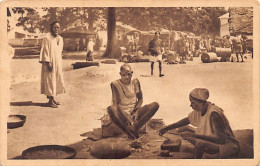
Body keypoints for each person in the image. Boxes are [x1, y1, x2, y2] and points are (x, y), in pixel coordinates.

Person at [158, 88, 240, 159]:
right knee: (183, 128)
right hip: (213, 140)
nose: (190, 105)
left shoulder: (214, 114)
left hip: (226, 146)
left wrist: (194, 135)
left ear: (201, 102)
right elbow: (185, 121)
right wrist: (166, 128)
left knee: (200, 144)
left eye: (193, 102)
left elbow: (221, 140)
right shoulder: (200, 109)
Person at [107, 64, 159, 139]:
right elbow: (117, 105)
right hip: (122, 113)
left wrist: (136, 112)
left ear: (132, 73)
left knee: (155, 105)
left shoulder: (135, 82)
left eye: (129, 74)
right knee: (110, 109)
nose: (127, 77)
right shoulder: (115, 84)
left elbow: (140, 99)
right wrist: (128, 118)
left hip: (133, 111)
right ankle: (129, 132)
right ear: (120, 74)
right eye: (124, 75)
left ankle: (135, 128)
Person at [39, 21, 65, 108]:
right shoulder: (47, 38)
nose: (56, 29)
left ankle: (53, 98)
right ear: (51, 28)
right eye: (55, 27)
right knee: (50, 80)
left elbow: (59, 51)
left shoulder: (60, 38)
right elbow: (45, 50)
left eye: (58, 27)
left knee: (56, 79)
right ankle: (50, 101)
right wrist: (48, 62)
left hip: (57, 62)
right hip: (50, 62)